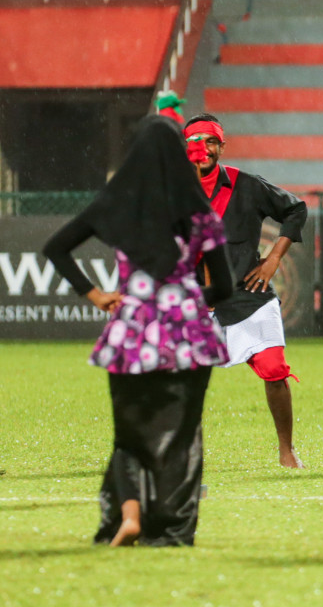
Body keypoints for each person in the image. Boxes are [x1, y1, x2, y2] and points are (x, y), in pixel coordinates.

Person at [41, 115, 233, 546]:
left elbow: (55, 247)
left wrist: (94, 295)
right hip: (189, 336)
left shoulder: (114, 204)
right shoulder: (198, 210)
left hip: (133, 331)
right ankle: (172, 530)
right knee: (183, 438)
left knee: (129, 432)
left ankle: (127, 518)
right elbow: (224, 286)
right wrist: (185, 303)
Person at [183, 115, 308, 469]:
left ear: (222, 146)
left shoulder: (246, 185)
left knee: (274, 368)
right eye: (196, 141)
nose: (204, 149)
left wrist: (272, 260)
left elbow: (296, 209)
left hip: (245, 293)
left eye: (211, 141)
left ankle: (287, 451)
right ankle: (179, 457)